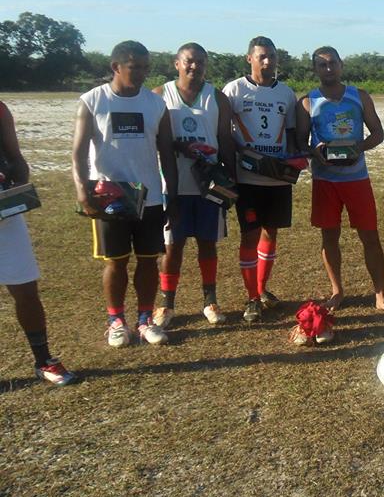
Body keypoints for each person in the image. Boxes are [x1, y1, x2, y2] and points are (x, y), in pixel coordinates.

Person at [72, 40, 178, 346]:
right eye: (135, 67)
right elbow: (78, 153)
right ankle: (116, 320)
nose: (143, 73)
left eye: (146, 67)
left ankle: (145, 320)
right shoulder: (93, 101)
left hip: (151, 197)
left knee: (148, 261)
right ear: (115, 67)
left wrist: (172, 196)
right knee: (115, 262)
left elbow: (167, 154)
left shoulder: (156, 104)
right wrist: (82, 190)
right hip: (110, 197)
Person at [295, 46, 384, 317]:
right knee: (329, 237)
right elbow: (300, 140)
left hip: (357, 179)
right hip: (325, 180)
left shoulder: (359, 96)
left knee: (370, 237)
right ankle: (337, 291)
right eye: (322, 65)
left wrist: (358, 148)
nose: (328, 69)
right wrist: (315, 150)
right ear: (315, 69)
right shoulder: (308, 101)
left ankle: (379, 293)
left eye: (332, 63)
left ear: (341, 65)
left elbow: (377, 133)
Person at [153, 43, 236, 329]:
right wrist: (174, 144)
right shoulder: (160, 95)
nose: (194, 67)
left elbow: (225, 140)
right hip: (172, 185)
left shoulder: (218, 98)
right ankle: (166, 304)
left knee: (207, 244)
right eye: (189, 61)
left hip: (208, 186)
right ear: (177, 63)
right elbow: (151, 139)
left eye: (200, 62)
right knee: (172, 247)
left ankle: (210, 301)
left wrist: (232, 182)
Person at [0, 100, 77, 384]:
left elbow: (17, 160)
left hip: (4, 217)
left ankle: (43, 360)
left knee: (26, 290)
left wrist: (13, 182)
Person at [222, 36, 298, 323]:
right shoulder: (234, 90)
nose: (268, 62)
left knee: (271, 234)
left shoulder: (286, 94)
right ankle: (252, 297)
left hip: (276, 178)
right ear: (249, 58)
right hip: (248, 178)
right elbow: (224, 132)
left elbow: (290, 134)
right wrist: (242, 155)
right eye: (262, 56)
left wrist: (292, 161)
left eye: (272, 57)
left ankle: (262, 288)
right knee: (250, 235)